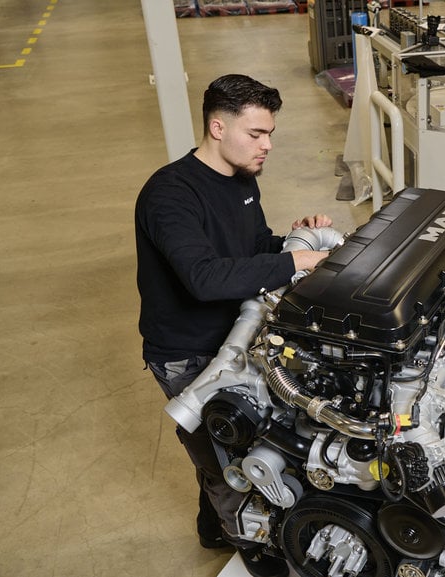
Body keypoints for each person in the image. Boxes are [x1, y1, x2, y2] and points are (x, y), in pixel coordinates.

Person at [135, 74, 331, 577]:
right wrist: (296, 266)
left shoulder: (242, 176)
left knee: (235, 446)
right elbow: (202, 277)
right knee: (231, 470)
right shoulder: (170, 194)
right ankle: (260, 556)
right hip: (190, 351)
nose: (267, 145)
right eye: (256, 134)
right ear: (217, 127)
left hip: (238, 333)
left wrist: (293, 242)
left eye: (270, 134)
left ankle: (208, 529)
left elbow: (253, 245)